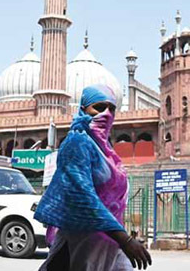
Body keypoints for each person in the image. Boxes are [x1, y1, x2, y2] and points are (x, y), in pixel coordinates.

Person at [35, 84, 152, 271]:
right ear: (83, 109)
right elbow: (83, 197)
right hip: (80, 244)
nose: (106, 114)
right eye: (98, 107)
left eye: (111, 109)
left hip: (110, 244)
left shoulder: (107, 152)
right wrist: (125, 239)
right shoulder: (77, 142)